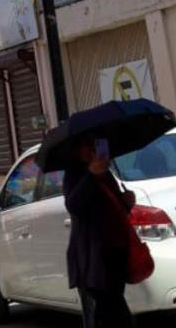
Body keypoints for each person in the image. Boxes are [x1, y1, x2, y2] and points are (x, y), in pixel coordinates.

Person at [64, 138, 136, 328]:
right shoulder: (75, 173)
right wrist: (91, 174)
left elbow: (112, 208)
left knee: (114, 308)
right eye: (88, 146)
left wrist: (126, 202)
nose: (93, 151)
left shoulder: (106, 174)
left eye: (96, 146)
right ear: (77, 150)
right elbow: (74, 205)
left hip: (114, 251)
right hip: (92, 257)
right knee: (103, 313)